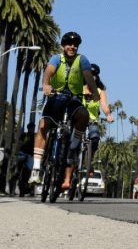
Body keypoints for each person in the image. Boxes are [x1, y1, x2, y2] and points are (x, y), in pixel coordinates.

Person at [28, 32, 100, 189]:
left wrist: (93, 91)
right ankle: (36, 168)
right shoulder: (57, 58)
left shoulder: (82, 59)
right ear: (63, 46)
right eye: (68, 44)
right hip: (56, 97)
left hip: (73, 99)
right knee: (43, 125)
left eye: (75, 44)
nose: (72, 47)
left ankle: (72, 147)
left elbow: (88, 75)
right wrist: (46, 84)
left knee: (84, 116)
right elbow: (49, 70)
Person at [82, 64, 113, 162]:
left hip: (92, 119)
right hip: (78, 117)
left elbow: (104, 105)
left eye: (93, 76)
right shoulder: (79, 87)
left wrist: (108, 115)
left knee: (95, 138)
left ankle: (89, 160)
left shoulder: (100, 91)